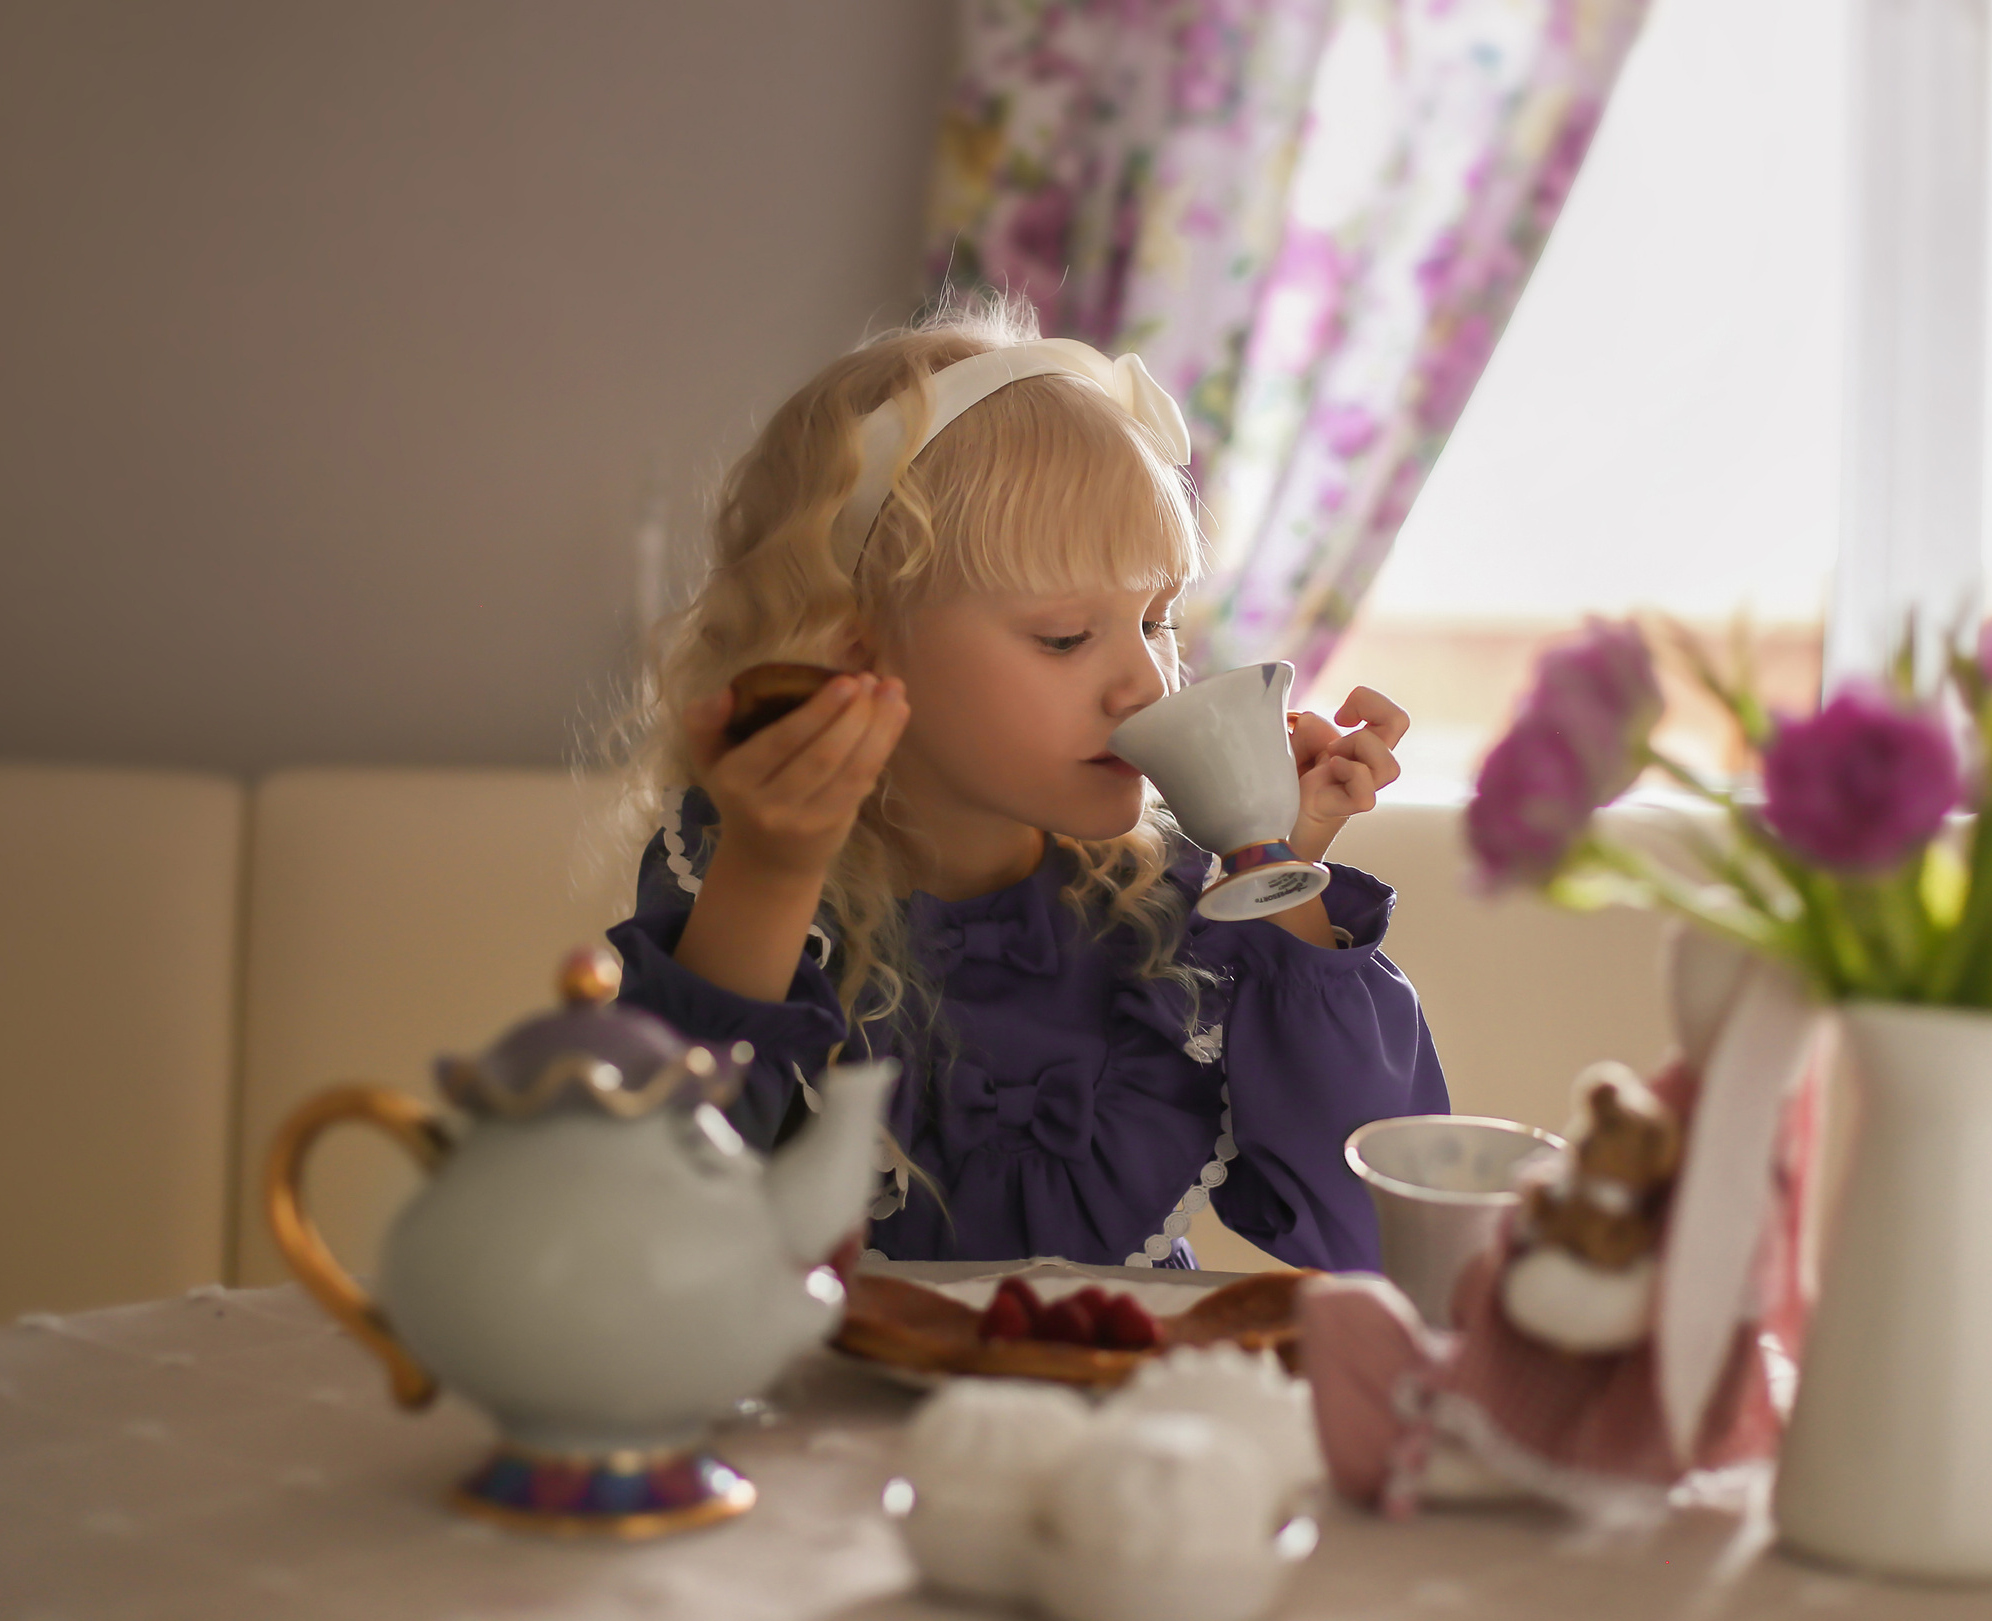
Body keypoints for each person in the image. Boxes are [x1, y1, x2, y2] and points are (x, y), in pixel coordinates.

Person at [609, 299, 1446, 1271]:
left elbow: (1374, 1237)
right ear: (855, 644)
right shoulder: (741, 868)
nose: (1144, 683)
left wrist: (1276, 869)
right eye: (1063, 636)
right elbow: (654, 1226)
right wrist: (770, 873)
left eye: (1157, 618)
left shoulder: (1177, 912)